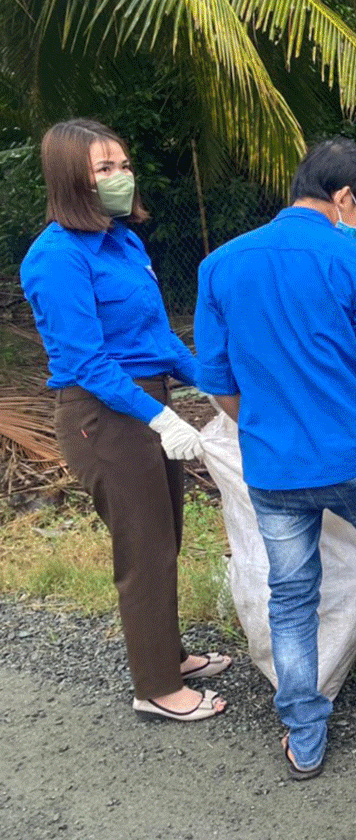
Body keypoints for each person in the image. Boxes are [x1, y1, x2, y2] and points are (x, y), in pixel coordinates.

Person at [195, 138, 356, 779]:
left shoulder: (220, 264)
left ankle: (304, 733)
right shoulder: (355, 263)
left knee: (292, 595)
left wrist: (268, 426)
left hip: (274, 471)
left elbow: (217, 382)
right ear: (345, 198)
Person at [20, 119, 230, 723]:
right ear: (72, 181)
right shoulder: (56, 257)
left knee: (167, 536)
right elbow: (86, 361)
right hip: (102, 414)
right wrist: (162, 417)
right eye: (102, 169)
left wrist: (213, 384)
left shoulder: (123, 242)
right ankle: (157, 687)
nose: (119, 178)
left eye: (122, 164)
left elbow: (157, 337)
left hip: (145, 397)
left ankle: (171, 654)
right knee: (143, 548)